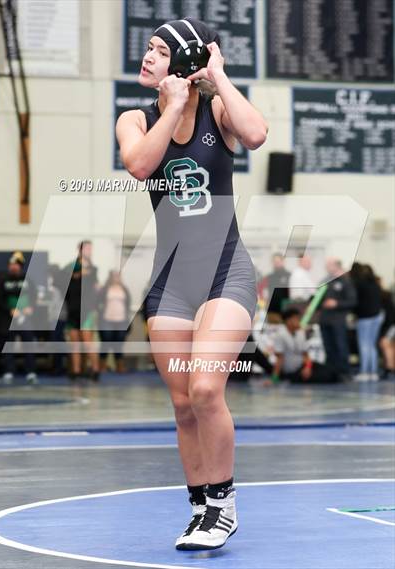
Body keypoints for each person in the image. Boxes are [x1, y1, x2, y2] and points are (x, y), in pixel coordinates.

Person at [116, 18, 268, 551]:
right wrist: (173, 105)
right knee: (183, 404)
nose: (147, 56)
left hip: (226, 271)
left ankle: (223, 505)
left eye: (159, 51)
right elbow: (139, 165)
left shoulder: (218, 111)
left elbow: (256, 134)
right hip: (171, 282)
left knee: (205, 389)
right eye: (148, 48)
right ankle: (200, 508)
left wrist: (219, 77)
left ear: (181, 64)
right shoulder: (134, 118)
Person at [0, 252, 38, 384]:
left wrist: (31, 307)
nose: (13, 267)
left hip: (25, 318)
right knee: (9, 345)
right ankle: (9, 371)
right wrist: (10, 310)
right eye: (11, 265)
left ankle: (30, 372)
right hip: (9, 319)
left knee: (28, 344)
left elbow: (34, 297)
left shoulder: (27, 280)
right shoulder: (3, 280)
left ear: (20, 266)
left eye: (15, 265)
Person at [64, 241, 100, 382]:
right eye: (86, 248)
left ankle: (95, 370)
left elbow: (95, 285)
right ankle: (76, 371)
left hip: (86, 310)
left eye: (90, 248)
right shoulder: (70, 267)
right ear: (79, 250)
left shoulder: (93, 269)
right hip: (72, 309)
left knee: (87, 341)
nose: (89, 251)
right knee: (75, 343)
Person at [271, 308, 338, 384]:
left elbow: (306, 355)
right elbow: (279, 358)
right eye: (296, 319)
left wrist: (308, 367)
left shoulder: (300, 332)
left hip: (304, 365)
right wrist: (274, 378)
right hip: (292, 371)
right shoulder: (280, 335)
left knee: (332, 372)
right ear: (288, 321)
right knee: (325, 377)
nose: (298, 321)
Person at [318, 258, 357, 380]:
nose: (326, 267)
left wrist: (336, 303)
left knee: (341, 346)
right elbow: (317, 300)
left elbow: (352, 301)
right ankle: (331, 373)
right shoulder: (324, 281)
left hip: (338, 320)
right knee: (328, 347)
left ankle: (344, 372)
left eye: (329, 264)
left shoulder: (346, 282)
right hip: (324, 320)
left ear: (337, 266)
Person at [350, 263, 383, 381]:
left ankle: (364, 372)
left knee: (364, 344)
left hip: (365, 317)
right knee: (371, 345)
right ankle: (373, 372)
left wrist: (355, 313)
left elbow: (356, 302)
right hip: (377, 316)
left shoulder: (359, 284)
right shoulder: (376, 284)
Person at [98, 270, 131, 373]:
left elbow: (128, 305)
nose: (116, 278)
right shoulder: (105, 289)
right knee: (105, 343)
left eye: (118, 276)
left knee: (119, 344)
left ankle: (119, 367)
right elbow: (98, 303)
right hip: (107, 320)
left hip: (121, 320)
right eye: (115, 276)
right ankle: (102, 366)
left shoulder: (124, 289)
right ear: (111, 277)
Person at [259, 253, 290, 320]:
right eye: (275, 262)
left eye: (278, 261)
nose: (277, 263)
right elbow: (261, 294)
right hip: (272, 311)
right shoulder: (268, 278)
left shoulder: (290, 276)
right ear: (272, 263)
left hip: (287, 309)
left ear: (283, 262)